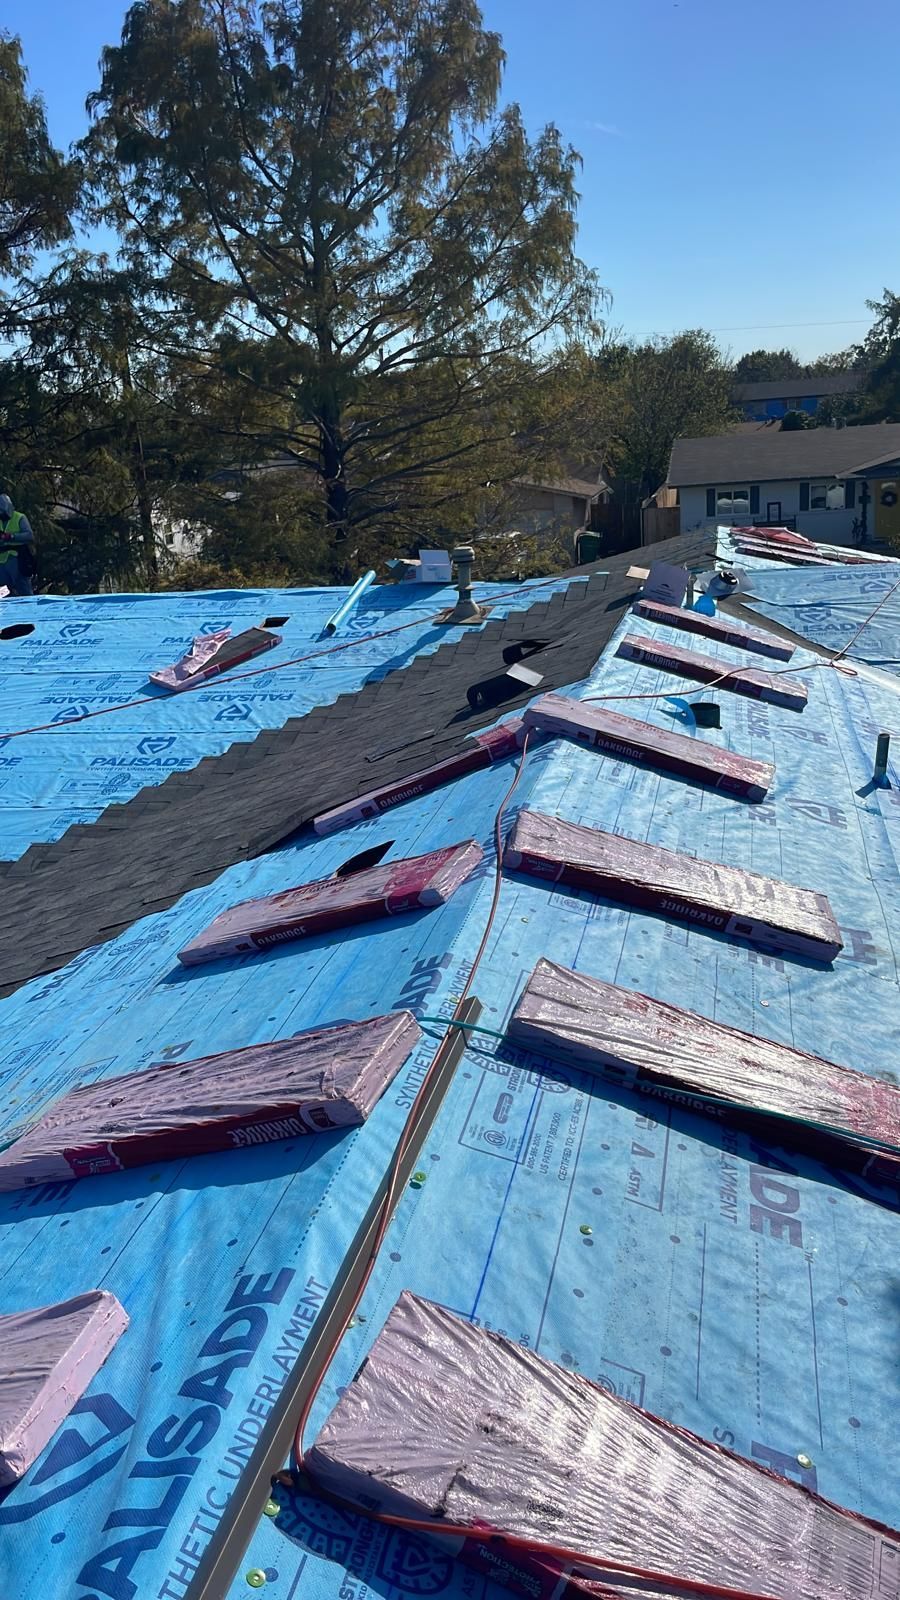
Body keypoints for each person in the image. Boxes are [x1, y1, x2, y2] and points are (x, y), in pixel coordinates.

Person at [0, 493, 36, 596]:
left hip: (17, 558)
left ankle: (30, 605)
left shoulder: (19, 517)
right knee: (4, 593)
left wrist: (11, 537)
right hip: (1, 561)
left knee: (24, 588)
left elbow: (29, 535)